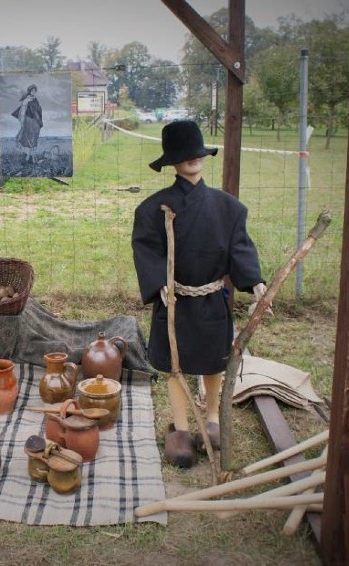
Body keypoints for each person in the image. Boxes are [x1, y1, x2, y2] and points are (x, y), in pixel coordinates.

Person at [131, 120, 267, 467]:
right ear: (172, 162)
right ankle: (179, 429)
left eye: (196, 153)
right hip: (173, 301)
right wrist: (158, 280)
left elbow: (240, 249)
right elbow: (147, 250)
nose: (192, 160)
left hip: (211, 301)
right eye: (183, 155)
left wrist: (253, 281)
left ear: (204, 156)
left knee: (213, 361)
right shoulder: (153, 209)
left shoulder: (229, 209)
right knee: (175, 367)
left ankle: (213, 419)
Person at [11, 84, 43, 163]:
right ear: (29, 91)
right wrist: (22, 122)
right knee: (27, 140)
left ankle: (31, 158)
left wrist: (39, 121)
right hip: (29, 121)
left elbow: (38, 111)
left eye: (35, 90)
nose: (34, 92)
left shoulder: (35, 100)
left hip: (36, 122)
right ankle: (26, 158)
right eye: (32, 90)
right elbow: (22, 112)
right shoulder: (26, 100)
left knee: (34, 139)